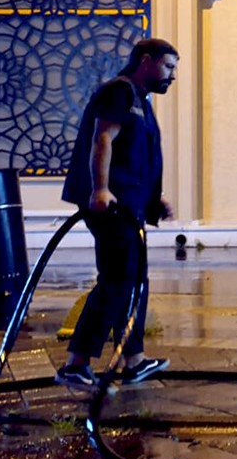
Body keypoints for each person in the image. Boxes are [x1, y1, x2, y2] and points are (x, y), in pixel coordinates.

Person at [56, 37, 179, 389]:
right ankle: (76, 362)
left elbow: (136, 156)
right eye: (168, 66)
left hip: (129, 206)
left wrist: (153, 201)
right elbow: (103, 139)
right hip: (110, 206)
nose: (172, 75)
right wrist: (99, 188)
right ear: (146, 60)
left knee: (134, 281)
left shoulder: (140, 100)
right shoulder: (120, 92)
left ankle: (134, 360)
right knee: (117, 280)